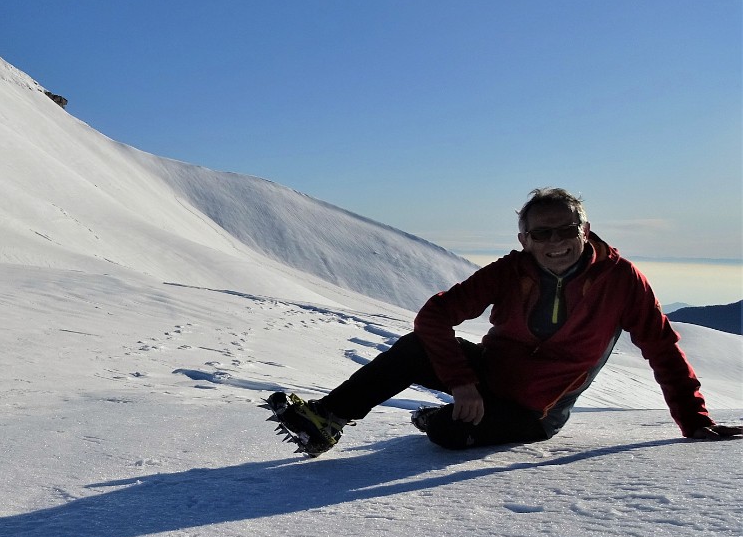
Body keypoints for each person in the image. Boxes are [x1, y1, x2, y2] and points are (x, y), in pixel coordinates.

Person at [265, 187, 742, 456]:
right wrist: (463, 382)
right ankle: (327, 419)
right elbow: (434, 316)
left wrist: (694, 420)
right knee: (415, 347)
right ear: (525, 238)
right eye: (541, 233)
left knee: (449, 435)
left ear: (585, 230)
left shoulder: (620, 280)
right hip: (487, 376)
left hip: (535, 411)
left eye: (566, 229)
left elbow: (661, 346)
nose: (556, 241)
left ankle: (440, 418)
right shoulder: (509, 271)